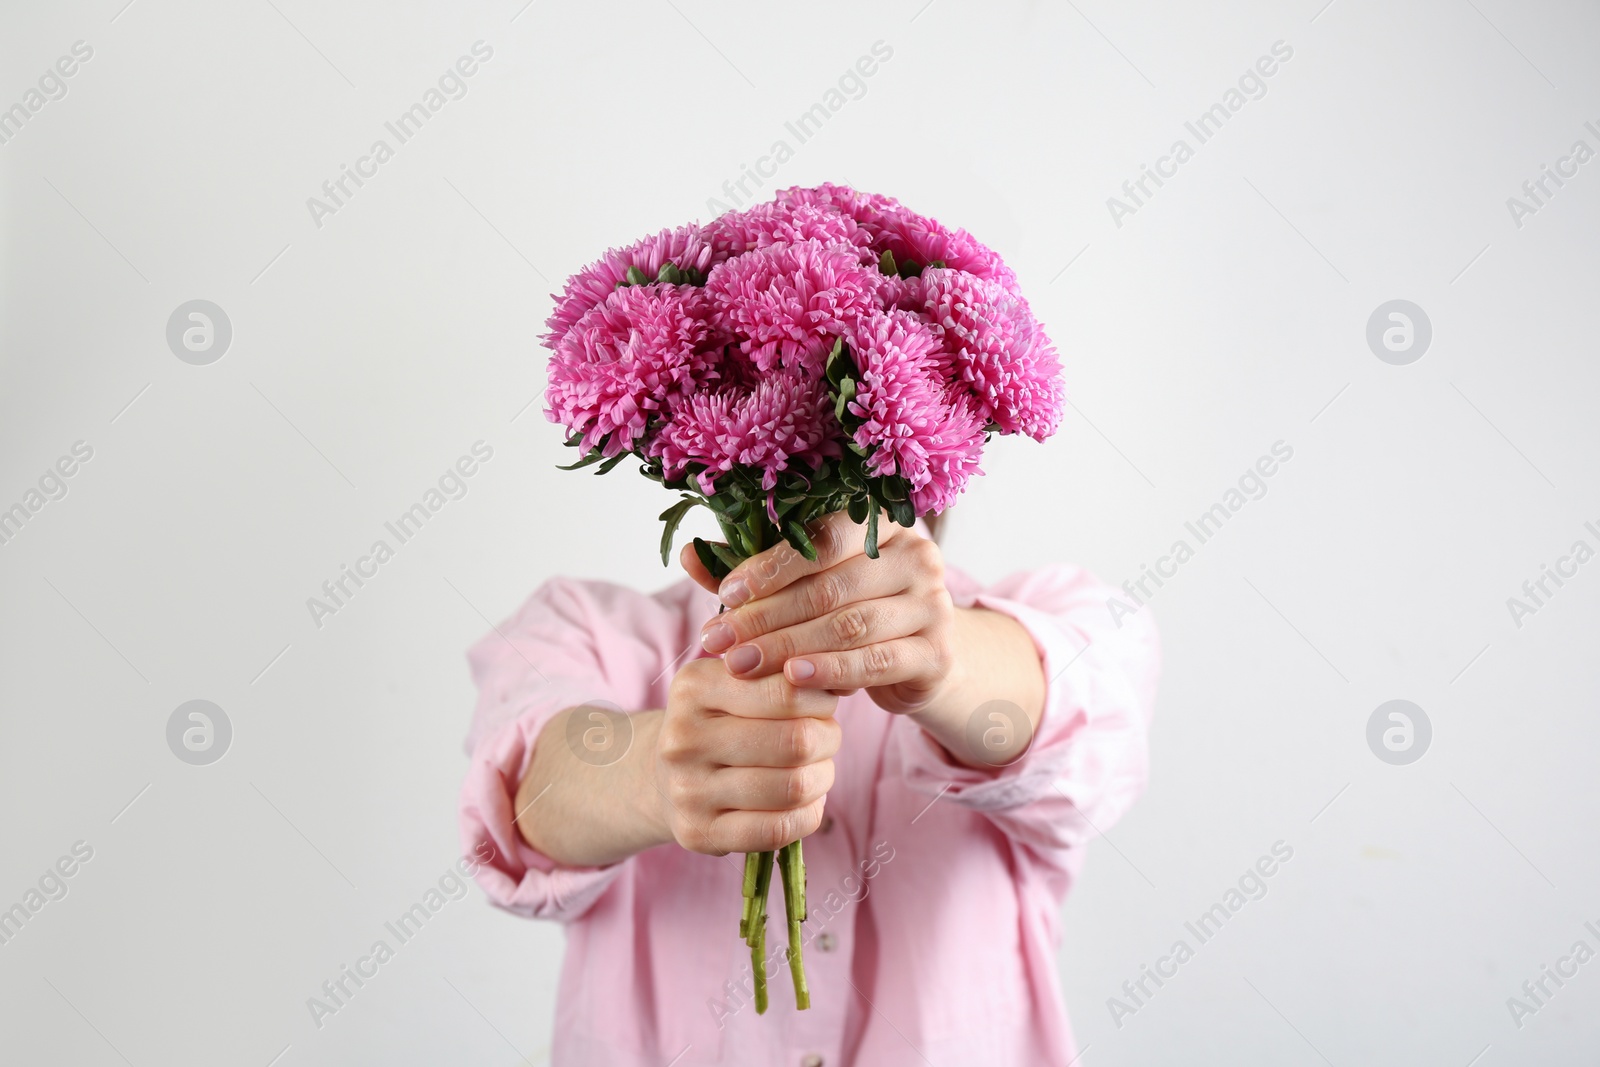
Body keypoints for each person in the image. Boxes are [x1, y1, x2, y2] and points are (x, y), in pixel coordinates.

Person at [458, 510, 1159, 1065]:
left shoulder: (1064, 620)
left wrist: (939, 660)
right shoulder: (587, 629)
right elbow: (527, 791)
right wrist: (660, 773)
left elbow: (1080, 719)